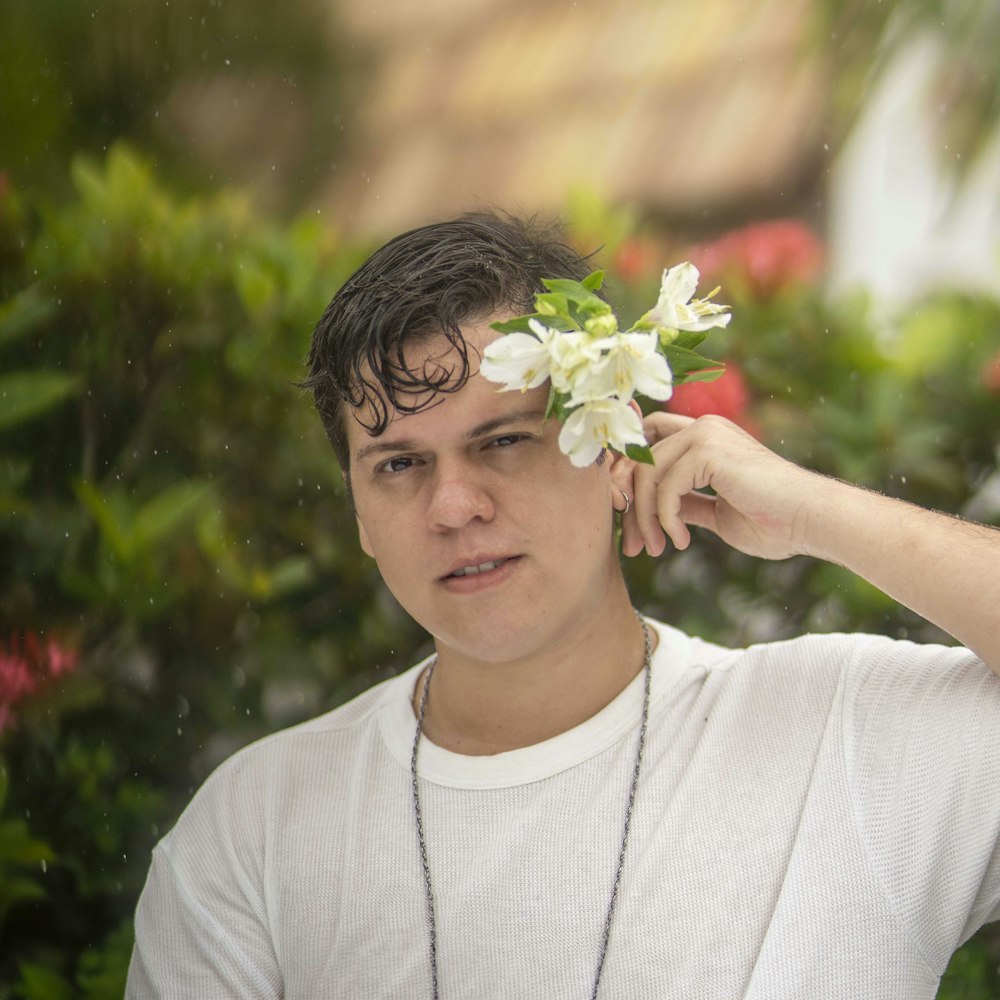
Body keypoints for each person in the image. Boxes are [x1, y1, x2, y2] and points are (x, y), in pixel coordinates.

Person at [126, 213, 1000, 999]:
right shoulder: (256, 834)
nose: (453, 506)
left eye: (503, 441)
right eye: (398, 464)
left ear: (612, 442)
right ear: (357, 511)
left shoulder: (840, 737)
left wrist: (813, 509)